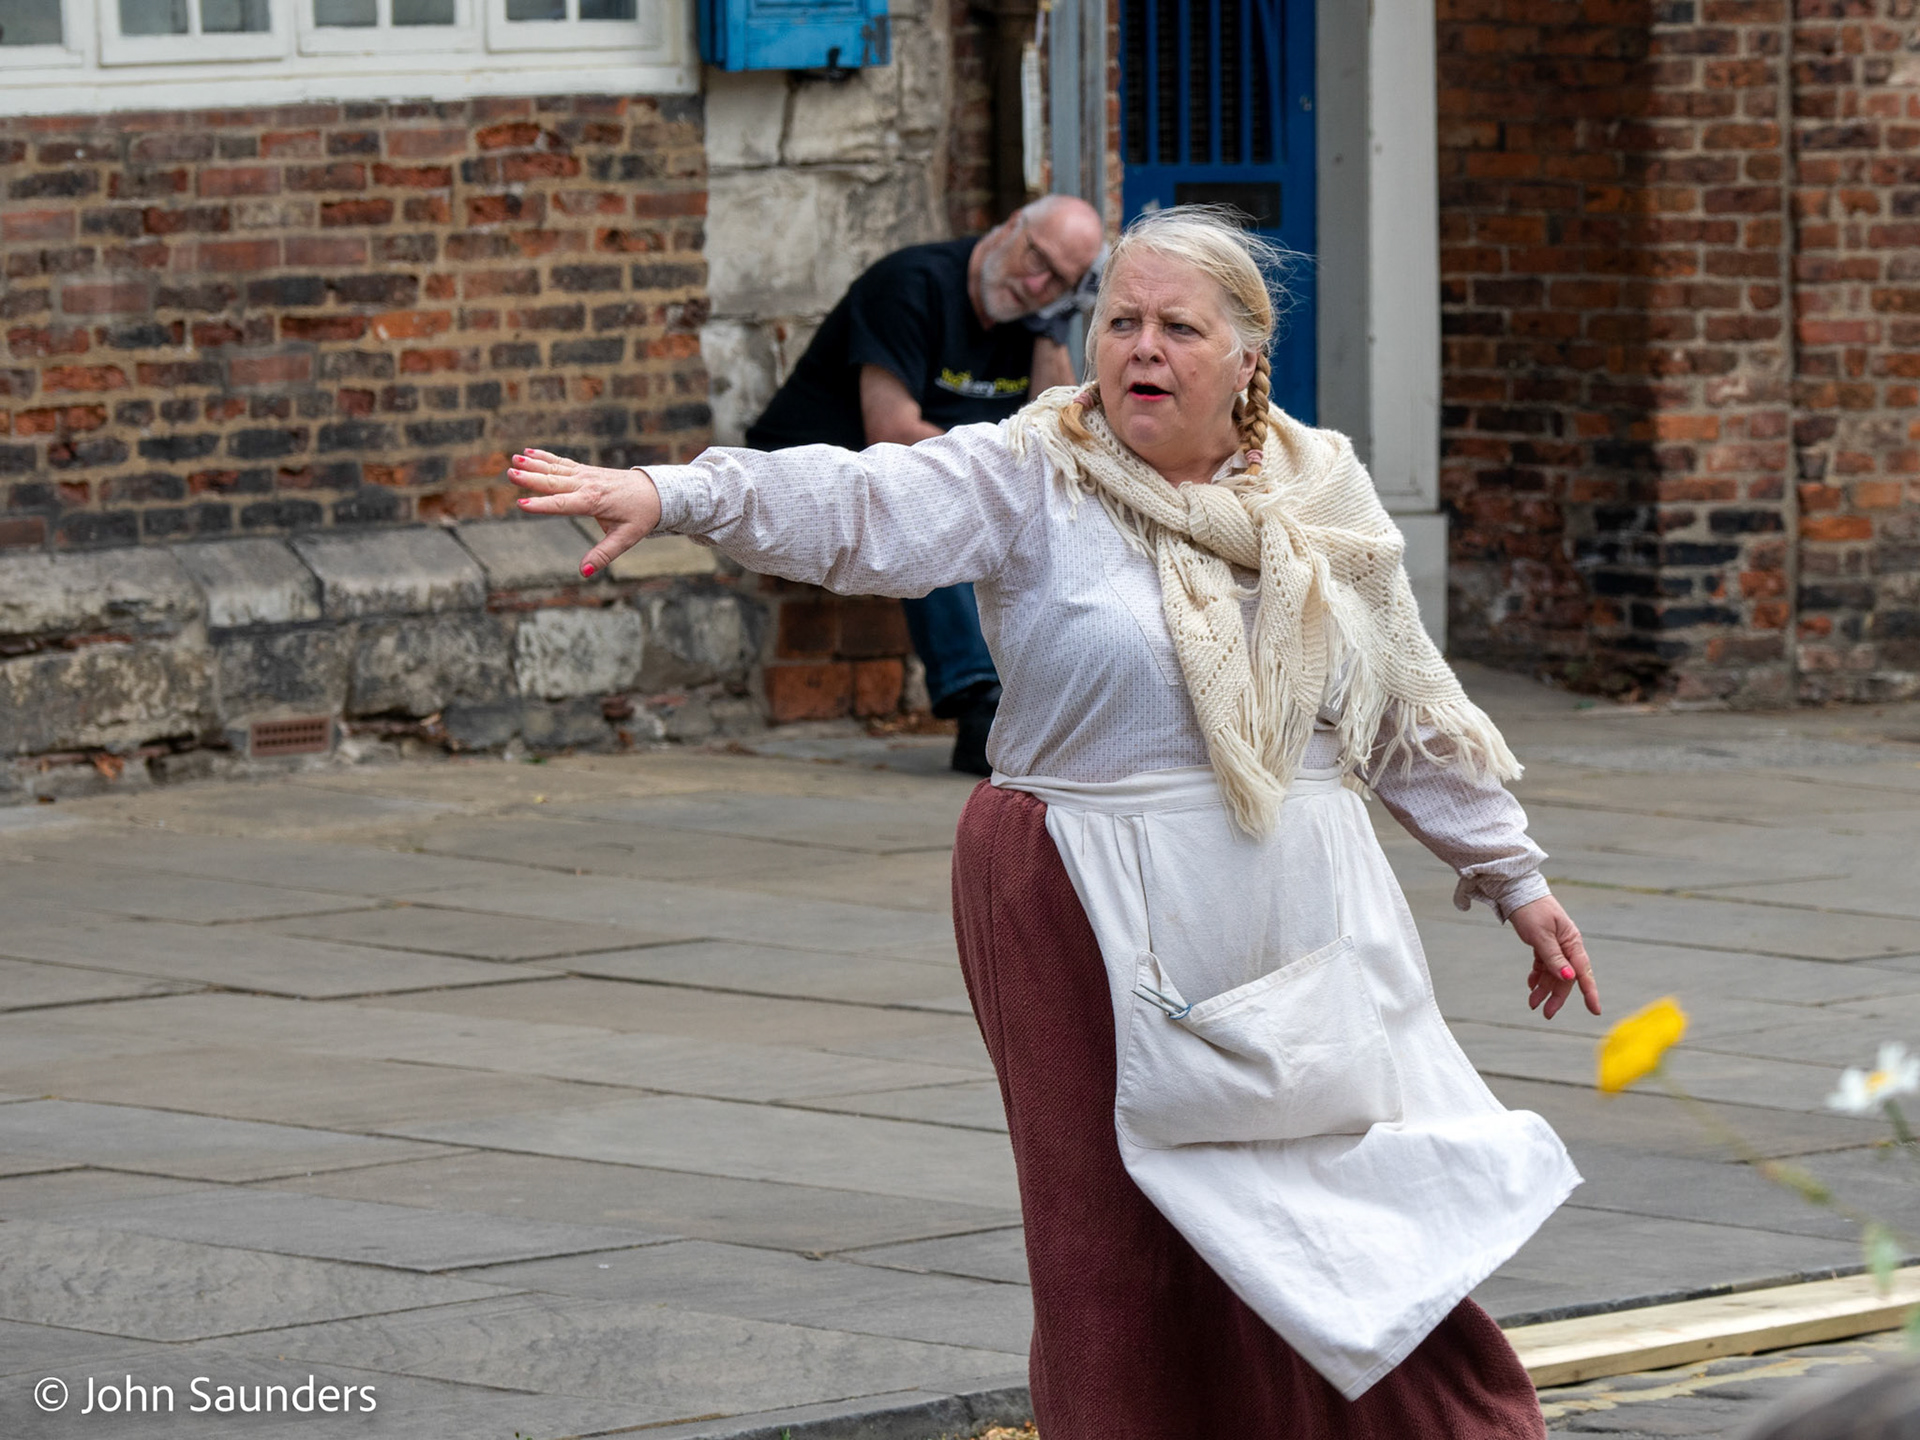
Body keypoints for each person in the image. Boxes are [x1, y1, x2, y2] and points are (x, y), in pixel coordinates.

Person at [508, 206, 1603, 1439]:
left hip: (1300, 888)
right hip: (1082, 882)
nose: (1142, 348)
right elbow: (859, 503)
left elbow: (1403, 706)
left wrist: (1513, 876)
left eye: (1177, 326)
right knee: (1117, 1229)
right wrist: (673, 493)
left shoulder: (1325, 493)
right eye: (1120, 321)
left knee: (1359, 1191)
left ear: (1248, 356)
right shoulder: (1036, 468)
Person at [744, 194, 1105, 774]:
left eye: (1059, 282)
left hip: (921, 473)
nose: (1037, 283)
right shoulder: (911, 285)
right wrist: (999, 477)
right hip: (809, 475)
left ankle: (1050, 693)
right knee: (942, 496)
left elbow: (1058, 438)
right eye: (1036, 258)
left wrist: (1051, 331)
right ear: (1010, 226)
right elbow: (890, 431)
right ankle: (979, 698)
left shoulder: (1033, 314)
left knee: (1045, 502)